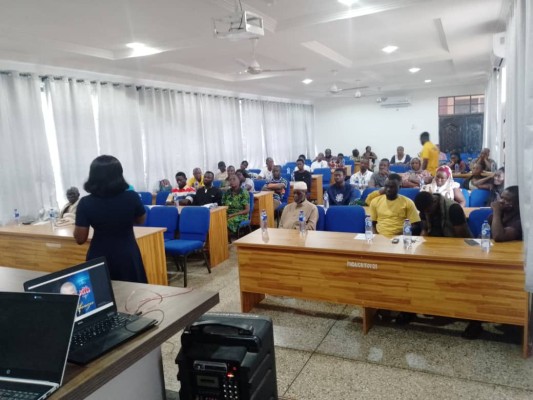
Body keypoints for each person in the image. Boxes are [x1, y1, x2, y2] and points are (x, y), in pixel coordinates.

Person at [74, 155, 147, 283]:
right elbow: (141, 220)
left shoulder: (85, 202)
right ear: (119, 175)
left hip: (99, 255)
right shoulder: (132, 197)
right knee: (133, 292)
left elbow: (80, 239)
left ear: (93, 176)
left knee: (102, 292)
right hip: (127, 254)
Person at [463, 186, 522, 339]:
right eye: (501, 197)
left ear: (516, 204)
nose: (501, 202)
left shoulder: (519, 219)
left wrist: (496, 212)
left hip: (511, 266)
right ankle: (475, 320)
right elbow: (483, 236)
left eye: (507, 200)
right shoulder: (498, 215)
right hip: (492, 259)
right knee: (472, 278)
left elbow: (499, 236)